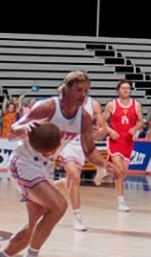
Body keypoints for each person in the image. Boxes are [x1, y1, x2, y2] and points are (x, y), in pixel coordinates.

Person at [11, 72, 109, 232]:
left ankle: (16, 249)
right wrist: (24, 129)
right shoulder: (48, 107)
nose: (83, 95)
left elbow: (91, 149)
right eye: (79, 90)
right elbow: (12, 133)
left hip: (49, 164)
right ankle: (77, 217)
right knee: (60, 202)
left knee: (35, 220)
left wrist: (106, 164)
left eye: (86, 91)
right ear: (66, 89)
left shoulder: (85, 115)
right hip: (27, 162)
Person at [0, 120, 67, 257]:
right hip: (25, 165)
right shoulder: (44, 111)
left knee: (33, 226)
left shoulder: (81, 119)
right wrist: (23, 129)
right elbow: (12, 134)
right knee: (59, 206)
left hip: (44, 169)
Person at [104, 80, 144, 213]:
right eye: (123, 88)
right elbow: (102, 121)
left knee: (123, 173)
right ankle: (121, 201)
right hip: (115, 141)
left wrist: (135, 128)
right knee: (120, 171)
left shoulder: (136, 105)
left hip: (128, 142)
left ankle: (106, 171)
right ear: (118, 90)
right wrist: (110, 131)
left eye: (128, 88)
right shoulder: (112, 105)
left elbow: (141, 122)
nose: (126, 90)